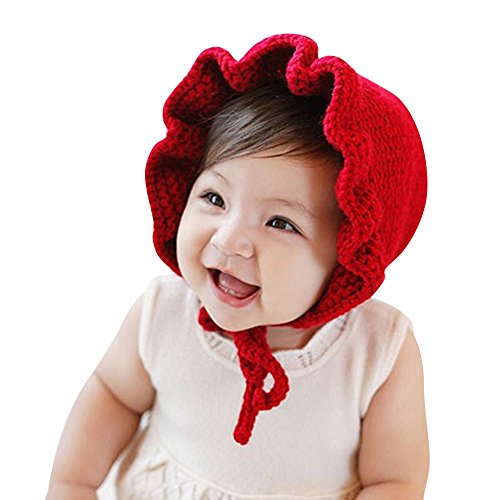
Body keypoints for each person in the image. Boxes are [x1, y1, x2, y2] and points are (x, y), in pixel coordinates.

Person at [46, 34, 429, 500]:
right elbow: (113, 395)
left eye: (280, 222)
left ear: (350, 254)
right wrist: (72, 485)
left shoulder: (376, 351)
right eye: (214, 197)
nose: (228, 240)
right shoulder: (163, 312)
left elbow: (394, 480)